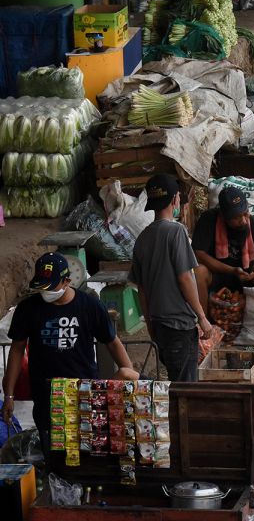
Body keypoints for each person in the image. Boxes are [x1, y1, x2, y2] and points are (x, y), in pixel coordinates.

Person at [3, 253, 140, 447]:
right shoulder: (28, 309)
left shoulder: (89, 306)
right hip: (46, 395)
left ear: (67, 281)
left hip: (83, 392)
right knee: (52, 449)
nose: (45, 292)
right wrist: (9, 394)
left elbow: (112, 342)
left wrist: (130, 377)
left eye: (50, 287)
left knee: (87, 446)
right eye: (41, 287)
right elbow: (16, 351)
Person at [130, 174, 215, 382]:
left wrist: (150, 324)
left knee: (175, 382)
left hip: (159, 326)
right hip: (180, 326)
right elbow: (185, 278)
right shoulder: (176, 232)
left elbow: (141, 290)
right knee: (185, 388)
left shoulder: (142, 238)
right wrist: (203, 318)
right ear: (175, 200)